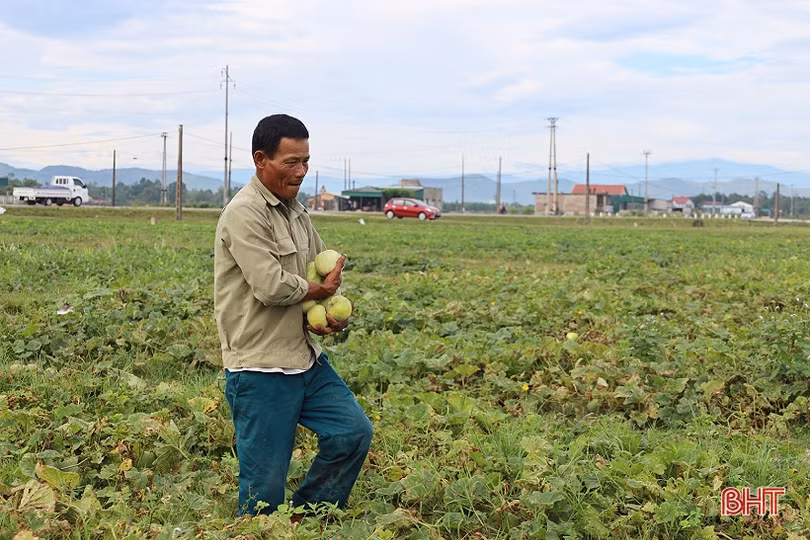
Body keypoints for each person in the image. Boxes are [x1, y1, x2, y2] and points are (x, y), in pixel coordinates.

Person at [213, 114, 373, 517]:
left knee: (352, 432)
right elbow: (270, 285)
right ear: (260, 159)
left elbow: (319, 270)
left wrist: (329, 312)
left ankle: (308, 517)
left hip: (304, 358)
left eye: (305, 161)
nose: (301, 172)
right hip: (260, 367)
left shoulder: (297, 212)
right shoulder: (244, 213)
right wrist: (320, 292)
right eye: (291, 162)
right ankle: (262, 527)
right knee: (263, 495)